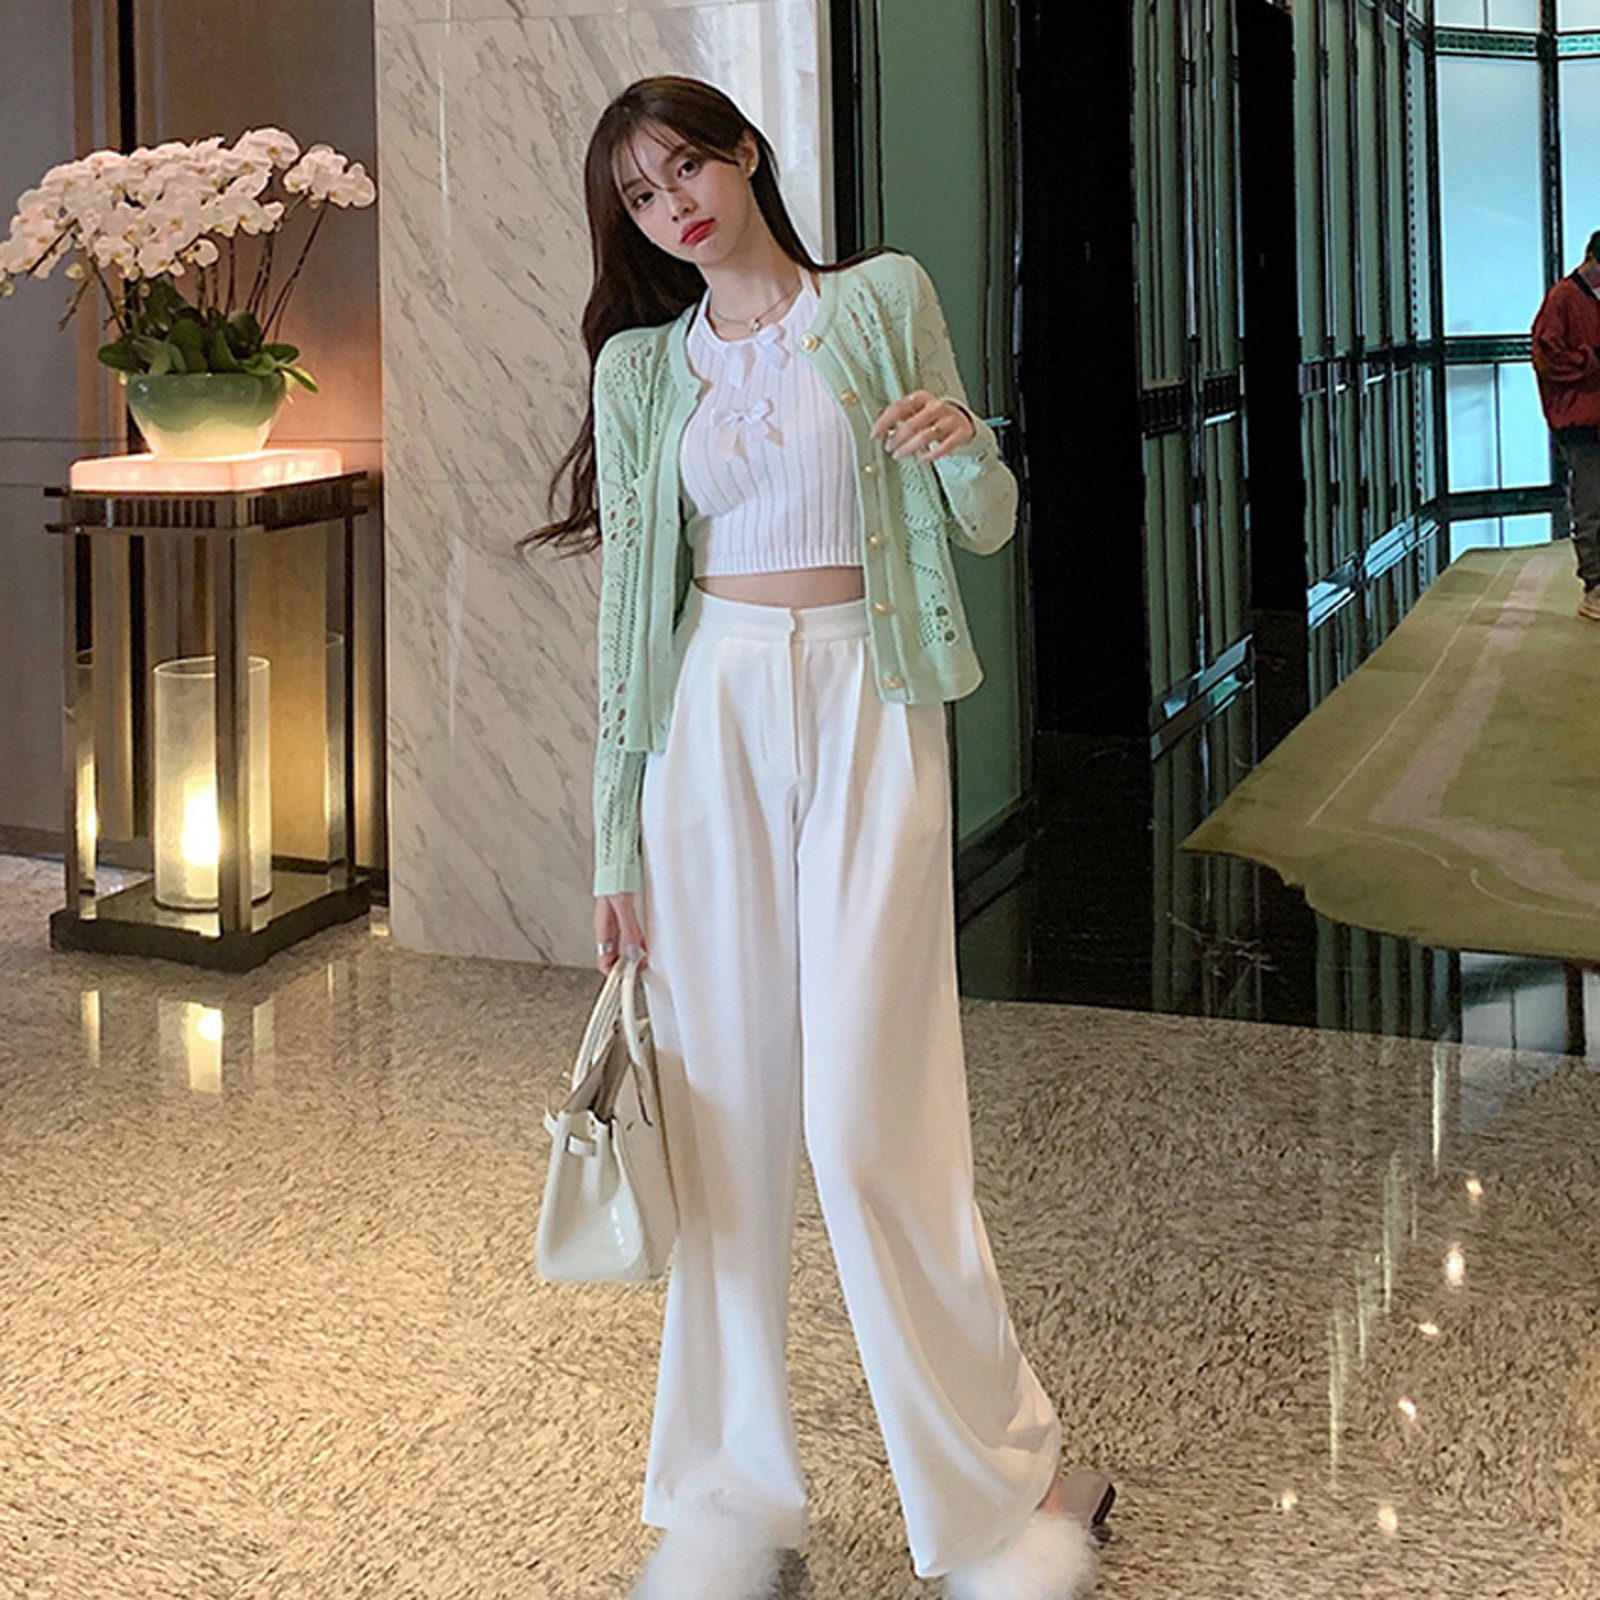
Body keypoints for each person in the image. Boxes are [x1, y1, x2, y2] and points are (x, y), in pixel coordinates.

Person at [528, 75, 1112, 1600]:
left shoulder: (879, 299)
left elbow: (986, 518)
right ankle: (730, 1501)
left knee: (868, 1127)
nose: (674, 208)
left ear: (746, 153)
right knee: (720, 1124)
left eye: (687, 169)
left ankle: (1007, 1493)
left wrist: (964, 441)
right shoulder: (645, 369)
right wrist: (612, 841)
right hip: (709, 718)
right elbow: (629, 620)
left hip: (869, 697)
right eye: (641, 196)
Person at [1532, 229, 1600, 620]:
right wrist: (1591, 359)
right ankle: (1595, 585)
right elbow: (1548, 357)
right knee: (1591, 503)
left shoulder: (1583, 297)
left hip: (1590, 413)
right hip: (1580, 417)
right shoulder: (1563, 299)